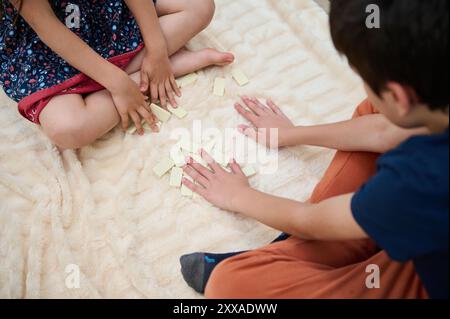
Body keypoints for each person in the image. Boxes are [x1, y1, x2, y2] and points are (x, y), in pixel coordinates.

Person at [179, 0, 449, 299]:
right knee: (377, 113)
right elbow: (383, 129)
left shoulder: (421, 181)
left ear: (399, 95)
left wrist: (237, 195)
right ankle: (353, 235)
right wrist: (291, 134)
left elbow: (311, 221)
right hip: (423, 230)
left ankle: (298, 251)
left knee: (229, 284)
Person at [0, 0, 234, 149]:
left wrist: (157, 49)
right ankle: (168, 68)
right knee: (68, 129)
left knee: (200, 6)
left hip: (100, 14)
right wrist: (119, 84)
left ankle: (155, 65)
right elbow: (49, 29)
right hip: (44, 47)